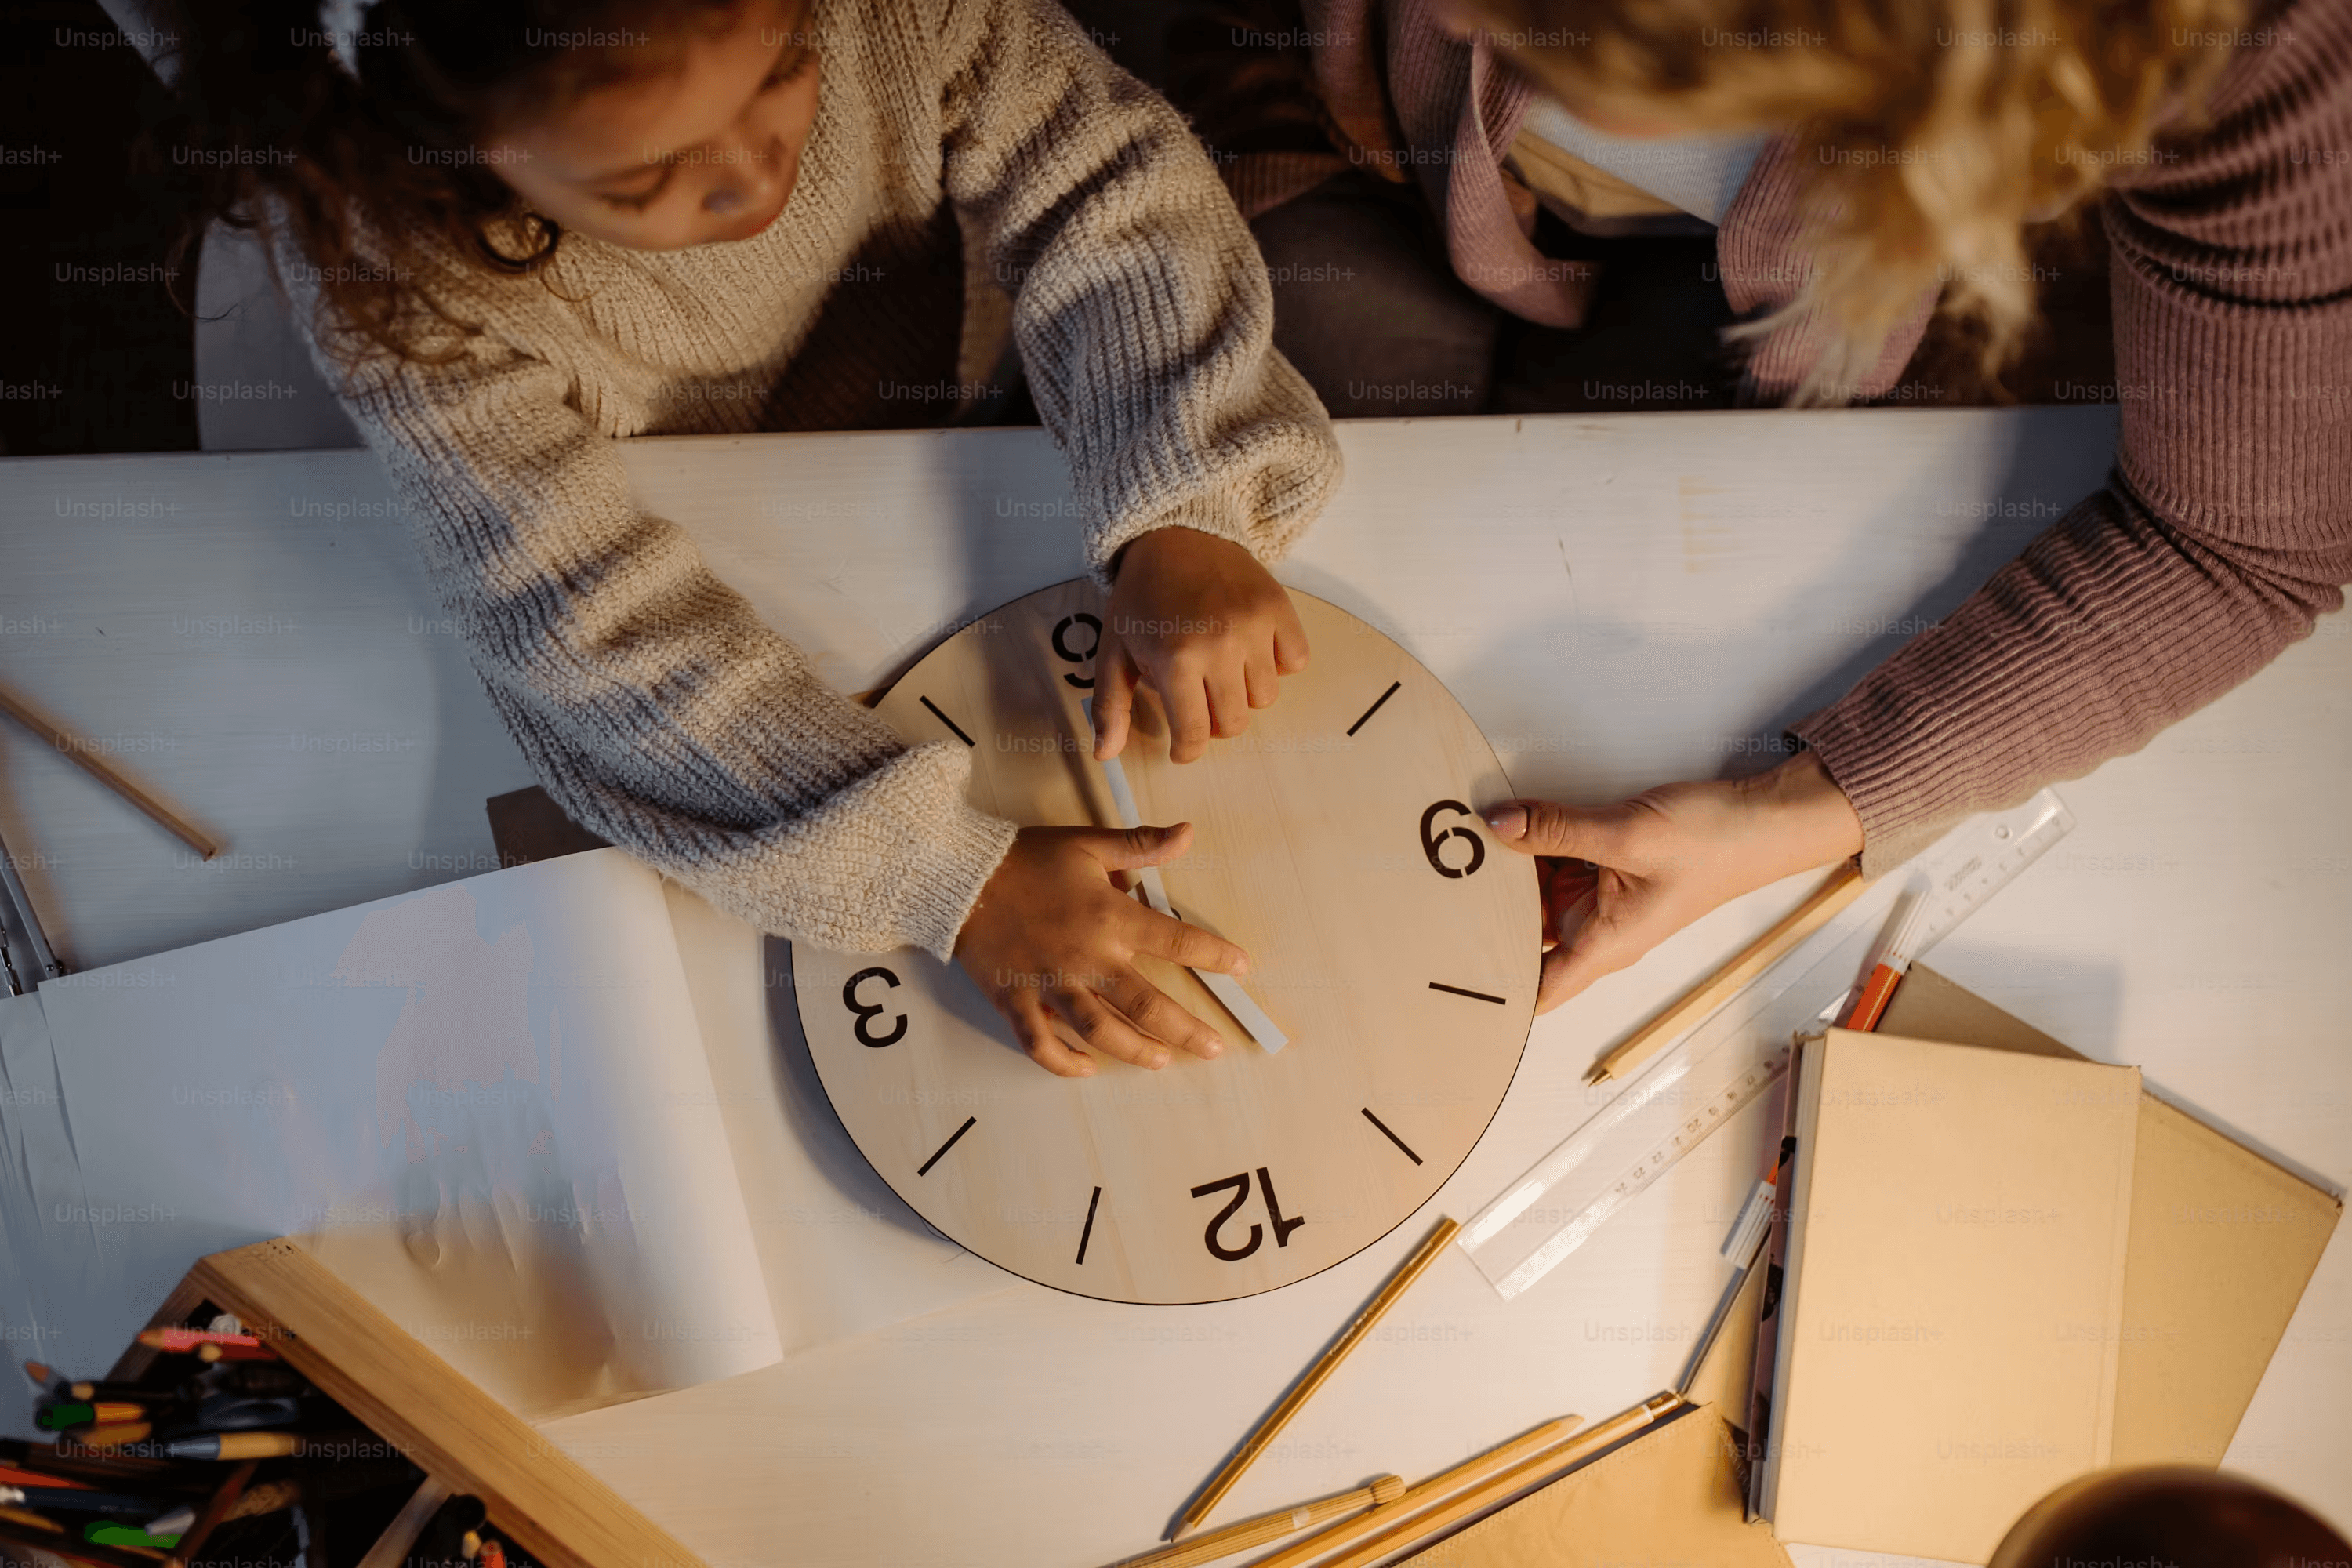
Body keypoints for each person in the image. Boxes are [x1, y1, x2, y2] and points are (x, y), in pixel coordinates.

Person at [158, 0, 1344, 1073]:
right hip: (651, 477)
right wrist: (951, 876)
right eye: (650, 175)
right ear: (444, 148)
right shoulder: (386, 265)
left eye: (785, 66)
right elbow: (581, 615)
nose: (752, 178)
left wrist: (1185, 499)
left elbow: (1101, 175)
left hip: (922, 378)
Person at [1182, 0, 2351, 1011]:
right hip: (1366, 144)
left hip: (1844, 308)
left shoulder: (2249, 47)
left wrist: (1802, 810)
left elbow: (2235, 545)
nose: (1604, 102)